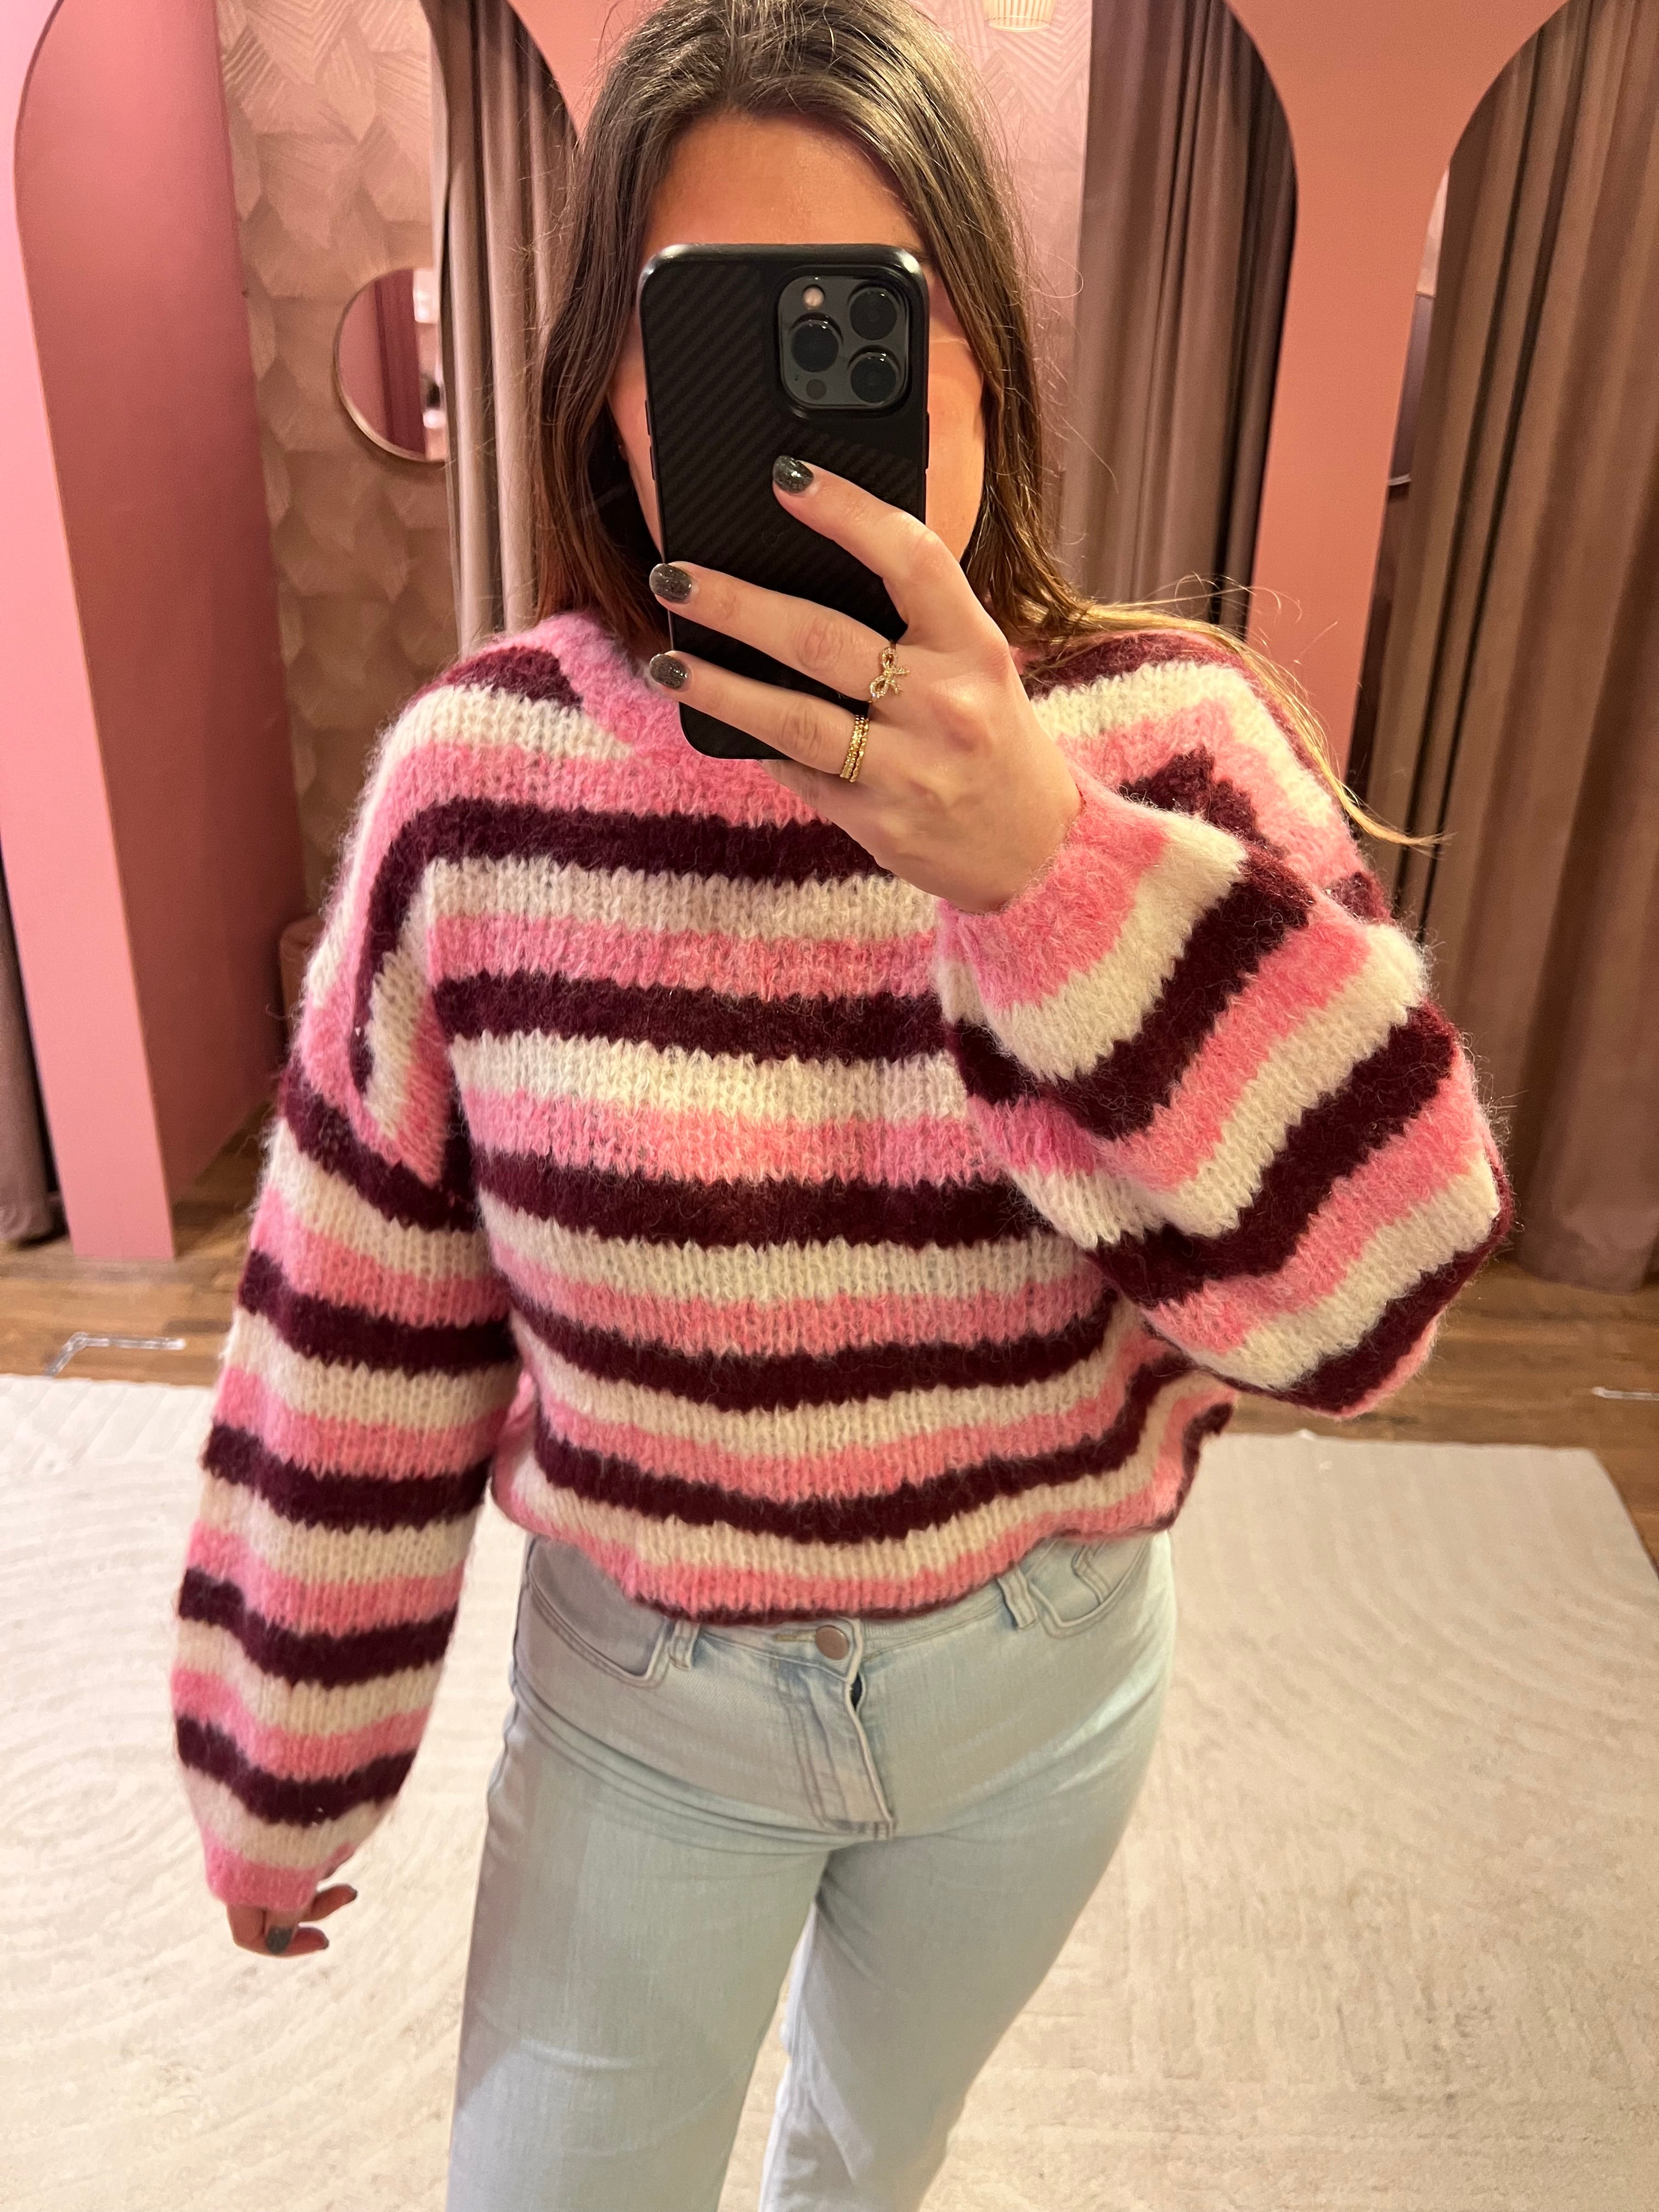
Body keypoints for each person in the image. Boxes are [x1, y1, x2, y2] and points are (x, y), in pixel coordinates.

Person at [168, 2, 1514, 2205]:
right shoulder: (480, 793)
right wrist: (279, 1749)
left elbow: (1380, 1302)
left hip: (1038, 1690)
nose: (794, 425)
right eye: (708, 335)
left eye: (862, 325)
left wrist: (1044, 874)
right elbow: (357, 1316)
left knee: (866, 2162)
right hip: (643, 1709)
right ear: (610, 394)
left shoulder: (1175, 750)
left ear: (978, 362)